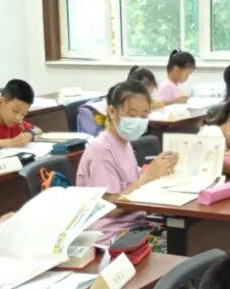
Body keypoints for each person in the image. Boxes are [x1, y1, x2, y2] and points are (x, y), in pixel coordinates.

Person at [76, 80, 177, 240]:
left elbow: (131, 185)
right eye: (132, 115)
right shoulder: (101, 150)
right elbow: (111, 209)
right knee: (180, 245)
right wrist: (148, 176)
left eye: (144, 115)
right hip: (110, 236)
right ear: (112, 112)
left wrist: (158, 173)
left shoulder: (124, 143)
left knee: (185, 237)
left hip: (136, 226)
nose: (139, 121)